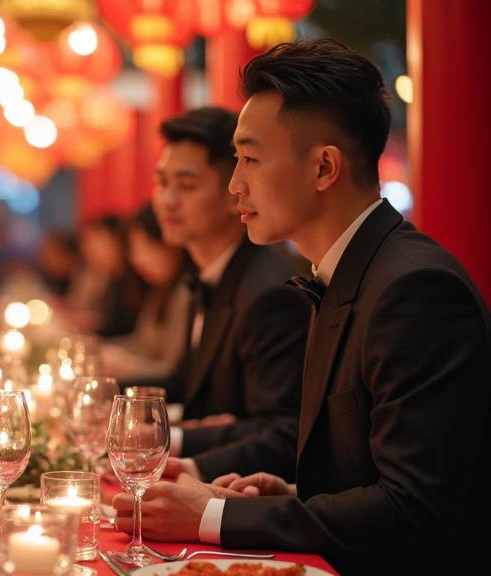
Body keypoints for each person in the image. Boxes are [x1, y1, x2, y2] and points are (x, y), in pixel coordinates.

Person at [114, 39, 490, 574]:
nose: (235, 184)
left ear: (323, 168)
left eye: (250, 159)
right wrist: (287, 494)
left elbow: (414, 510)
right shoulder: (345, 272)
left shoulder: (415, 289)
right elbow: (368, 478)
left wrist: (214, 516)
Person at [141, 107, 309, 479]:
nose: (167, 200)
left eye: (186, 186)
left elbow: (285, 432)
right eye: (162, 182)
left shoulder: (268, 292)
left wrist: (172, 439)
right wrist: (109, 403)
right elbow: (188, 384)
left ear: (234, 193)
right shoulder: (209, 273)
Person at [101, 204, 190, 381]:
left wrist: (125, 364)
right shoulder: (159, 291)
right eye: (133, 249)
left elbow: (177, 374)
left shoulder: (188, 292)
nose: (139, 259)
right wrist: (100, 349)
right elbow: (141, 343)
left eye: (147, 246)